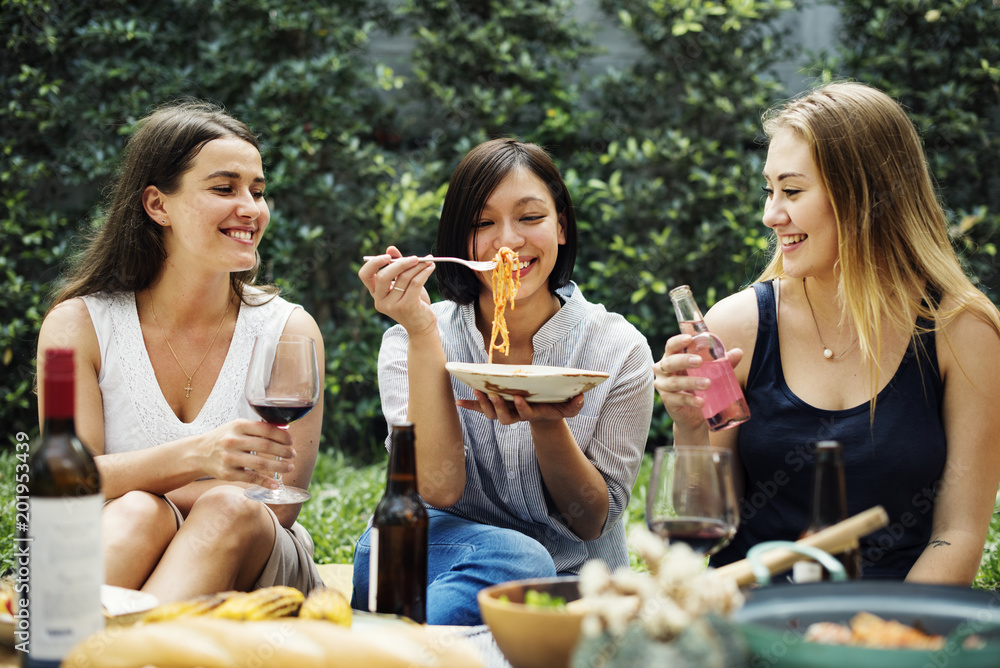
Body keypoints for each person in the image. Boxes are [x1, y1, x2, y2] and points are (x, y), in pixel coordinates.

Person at [654, 82, 1000, 584]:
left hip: (893, 633)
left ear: (867, 196)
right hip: (749, 626)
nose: (771, 214)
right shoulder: (736, 328)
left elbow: (959, 533)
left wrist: (879, 640)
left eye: (792, 191)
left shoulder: (961, 330)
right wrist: (689, 427)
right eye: (769, 190)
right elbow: (702, 530)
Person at [355, 138, 655, 624]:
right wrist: (422, 330)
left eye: (530, 218)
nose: (507, 242)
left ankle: (396, 645)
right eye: (482, 224)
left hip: (567, 579)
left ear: (560, 226)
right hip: (434, 555)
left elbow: (590, 520)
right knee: (488, 557)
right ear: (459, 241)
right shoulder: (408, 339)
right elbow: (436, 490)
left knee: (526, 562)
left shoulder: (618, 350)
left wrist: (547, 422)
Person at [35, 100, 324, 603]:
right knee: (138, 513)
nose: (251, 209)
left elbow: (276, 504)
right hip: (126, 538)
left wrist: (127, 484)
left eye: (258, 191)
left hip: (254, 551)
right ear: (157, 205)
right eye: (224, 188)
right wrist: (197, 457)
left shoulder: (288, 330)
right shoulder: (76, 327)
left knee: (227, 508)